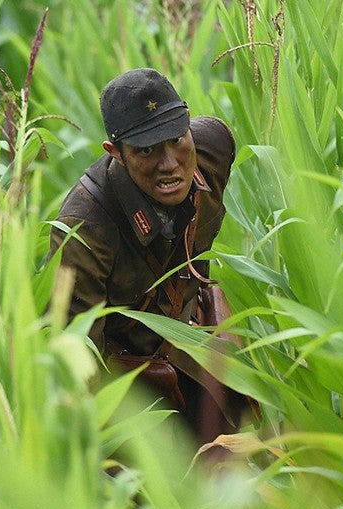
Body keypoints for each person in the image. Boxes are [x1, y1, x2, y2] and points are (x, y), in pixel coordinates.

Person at [49, 68, 250, 443]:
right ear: (116, 154)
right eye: (146, 149)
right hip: (132, 385)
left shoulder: (213, 149)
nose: (170, 162)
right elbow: (78, 358)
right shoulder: (85, 227)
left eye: (176, 138)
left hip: (195, 342)